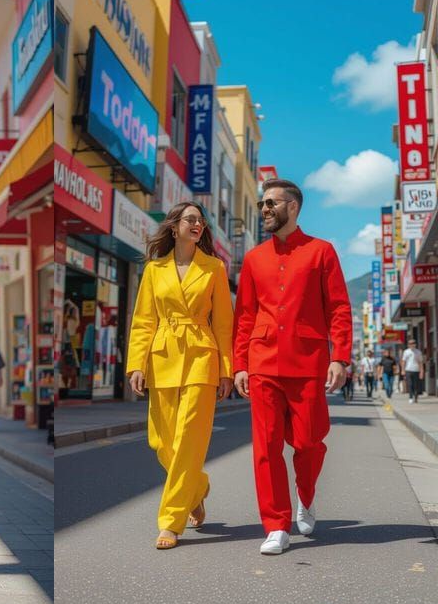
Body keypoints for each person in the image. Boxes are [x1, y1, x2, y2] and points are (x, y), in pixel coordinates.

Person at [233, 179, 352, 556]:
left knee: (308, 442)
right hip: (263, 361)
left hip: (308, 362)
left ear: (294, 207)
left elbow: (338, 307)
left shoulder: (322, 252)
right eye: (262, 204)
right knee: (265, 448)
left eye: (272, 203)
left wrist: (340, 356)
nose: (265, 209)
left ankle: (307, 494)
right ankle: (276, 525)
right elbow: (245, 316)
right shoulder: (253, 258)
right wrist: (240, 365)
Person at [126, 201, 233, 550]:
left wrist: (227, 370)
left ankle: (170, 522)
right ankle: (197, 487)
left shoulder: (214, 267)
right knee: (161, 442)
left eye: (200, 221)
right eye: (191, 219)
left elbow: (223, 324)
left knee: (189, 439)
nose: (197, 225)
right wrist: (136, 364)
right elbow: (144, 320)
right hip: (162, 357)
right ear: (174, 227)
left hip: (202, 357)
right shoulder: (154, 270)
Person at [403, 338, 424, 403]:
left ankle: (416, 397)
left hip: (416, 370)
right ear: (408, 345)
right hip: (408, 370)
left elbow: (420, 362)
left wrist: (421, 372)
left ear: (415, 344)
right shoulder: (406, 352)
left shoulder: (418, 352)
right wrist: (403, 370)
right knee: (410, 384)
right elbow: (403, 361)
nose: (411, 345)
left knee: (416, 385)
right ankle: (410, 397)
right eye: (410, 344)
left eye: (413, 343)